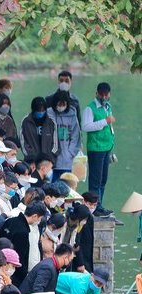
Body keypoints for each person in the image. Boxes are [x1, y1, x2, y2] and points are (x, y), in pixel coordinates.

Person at [82, 82, 115, 212]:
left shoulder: (108, 106)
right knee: (95, 180)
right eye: (101, 95)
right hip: (96, 148)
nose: (104, 97)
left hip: (106, 147)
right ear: (96, 94)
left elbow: (109, 128)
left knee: (103, 179)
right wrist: (104, 121)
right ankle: (94, 207)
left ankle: (99, 205)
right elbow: (86, 126)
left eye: (106, 95)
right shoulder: (90, 108)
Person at [0, 201, 46, 287]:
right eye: (40, 218)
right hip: (13, 272)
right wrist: (25, 275)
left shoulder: (10, 221)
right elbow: (21, 257)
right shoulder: (23, 232)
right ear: (35, 216)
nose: (39, 221)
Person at [47, 91, 81, 179]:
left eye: (64, 103)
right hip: (52, 159)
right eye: (59, 103)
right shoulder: (49, 113)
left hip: (67, 159)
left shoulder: (72, 114)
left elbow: (75, 135)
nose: (61, 106)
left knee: (67, 186)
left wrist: (70, 153)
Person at [19, 97, 58, 163]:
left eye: (43, 110)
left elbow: (55, 143)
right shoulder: (26, 121)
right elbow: (23, 142)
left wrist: (49, 157)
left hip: (48, 161)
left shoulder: (51, 122)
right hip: (31, 161)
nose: (41, 112)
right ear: (33, 110)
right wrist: (30, 157)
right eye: (38, 110)